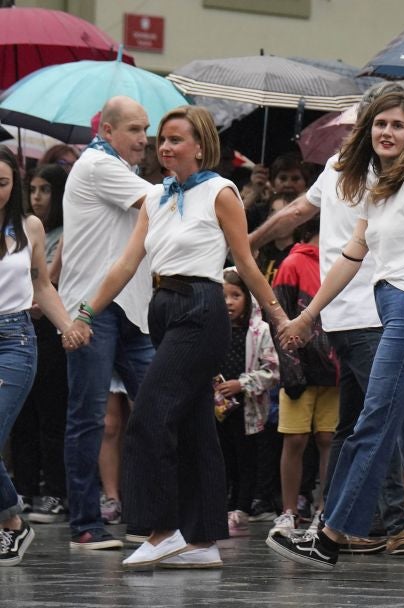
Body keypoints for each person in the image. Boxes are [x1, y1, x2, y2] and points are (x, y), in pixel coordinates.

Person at [66, 105, 289, 570]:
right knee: (195, 428)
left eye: (175, 139)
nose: (163, 147)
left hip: (201, 308)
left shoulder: (220, 192)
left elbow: (246, 263)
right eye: (161, 139)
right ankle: (204, 540)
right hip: (162, 308)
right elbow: (126, 265)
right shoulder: (157, 197)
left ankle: (161, 529)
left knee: (148, 416)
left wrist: (277, 315)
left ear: (201, 146)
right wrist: (86, 310)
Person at [267, 91, 404, 570]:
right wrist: (309, 314)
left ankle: (332, 534)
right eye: (380, 125)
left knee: (374, 420)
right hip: (393, 304)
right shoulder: (381, 184)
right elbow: (353, 255)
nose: (387, 133)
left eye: (397, 125)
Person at [58, 96, 155, 550]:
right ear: (108, 130)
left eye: (147, 131)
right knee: (88, 418)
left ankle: (150, 516)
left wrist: (54, 276)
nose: (144, 140)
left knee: (157, 408)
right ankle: (84, 524)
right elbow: (158, 203)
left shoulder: (117, 168)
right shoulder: (99, 164)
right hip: (93, 312)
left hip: (129, 310)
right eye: (135, 130)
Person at [0, 145, 75, 566]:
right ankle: (12, 520)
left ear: (16, 187)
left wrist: (68, 327)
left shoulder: (28, 226)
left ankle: (12, 523)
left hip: (15, 340)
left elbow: (42, 286)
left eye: (3, 183)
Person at [269, 221, 340, 537]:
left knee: (328, 439)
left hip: (334, 368)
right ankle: (288, 511)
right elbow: (278, 316)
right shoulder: (292, 263)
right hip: (299, 367)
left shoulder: (339, 262)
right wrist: (290, 367)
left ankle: (324, 510)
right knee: (295, 439)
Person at [10, 164, 69, 524]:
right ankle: (24, 488)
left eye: (45, 189)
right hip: (16, 319)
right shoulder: (17, 229)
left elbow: (47, 282)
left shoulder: (55, 231)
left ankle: (54, 491)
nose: (37, 197)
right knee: (19, 416)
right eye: (33, 189)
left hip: (44, 327)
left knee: (50, 413)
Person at [216, 268, 279, 538]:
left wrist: (241, 384)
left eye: (235, 295)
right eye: (223, 296)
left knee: (246, 458)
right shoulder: (214, 330)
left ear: (248, 299)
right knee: (223, 456)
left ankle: (241, 508)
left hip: (248, 408)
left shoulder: (259, 331)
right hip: (217, 407)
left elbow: (272, 369)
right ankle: (224, 505)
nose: (228, 302)